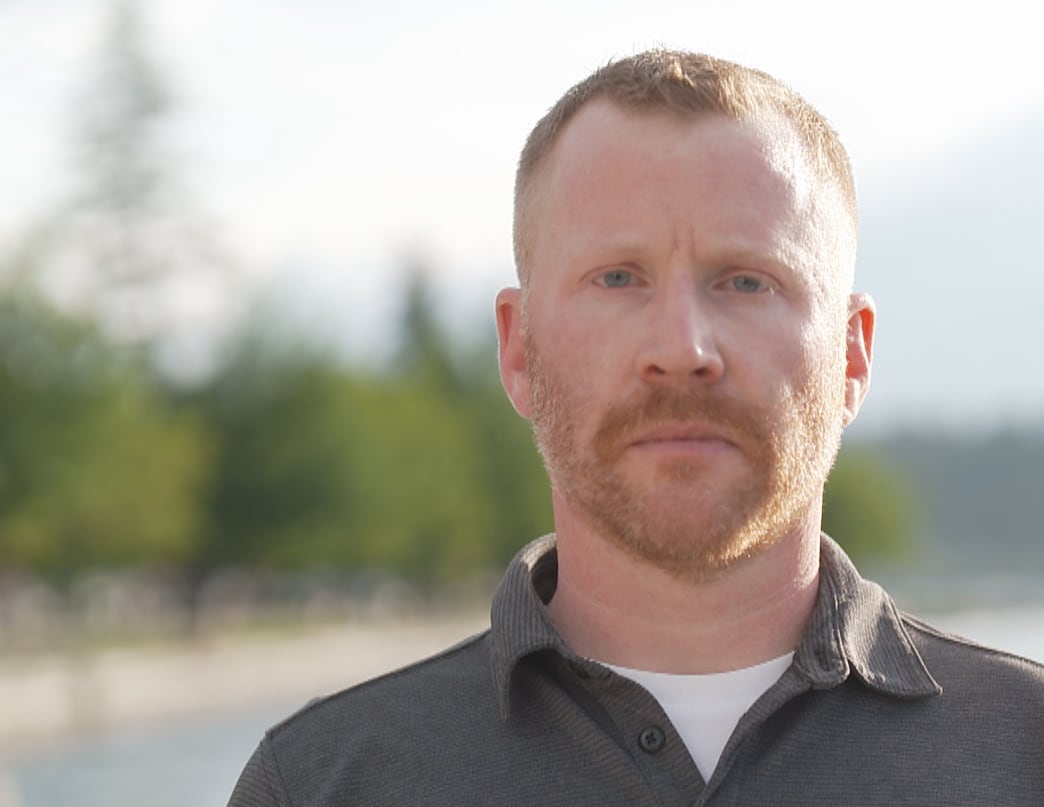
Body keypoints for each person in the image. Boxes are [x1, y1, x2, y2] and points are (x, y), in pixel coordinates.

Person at [228, 50, 1044, 806]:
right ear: (518, 349)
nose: (682, 351)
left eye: (747, 281)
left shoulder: (1026, 753)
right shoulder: (323, 785)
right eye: (617, 278)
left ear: (851, 358)